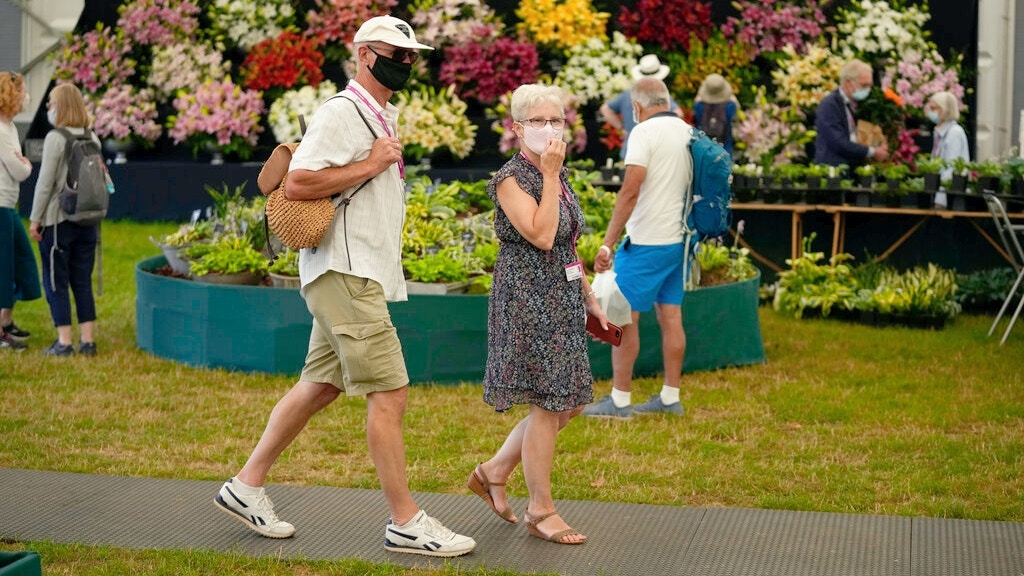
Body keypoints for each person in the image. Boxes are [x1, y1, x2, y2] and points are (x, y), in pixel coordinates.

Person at [212, 16, 475, 558]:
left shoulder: (378, 112)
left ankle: (245, 486)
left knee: (320, 386)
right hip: (346, 273)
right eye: (394, 53)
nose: (405, 62)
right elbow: (298, 182)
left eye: (411, 55)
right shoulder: (342, 111)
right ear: (363, 55)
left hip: (348, 272)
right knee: (390, 392)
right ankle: (406, 522)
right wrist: (370, 163)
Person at [469, 83, 607, 545]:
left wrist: (587, 293)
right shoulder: (511, 178)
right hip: (527, 301)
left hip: (561, 298)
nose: (549, 129)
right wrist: (549, 175)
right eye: (538, 121)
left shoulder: (557, 173)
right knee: (549, 402)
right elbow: (542, 235)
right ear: (517, 127)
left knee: (571, 400)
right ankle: (540, 510)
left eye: (556, 120)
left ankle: (494, 470)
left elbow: (567, 242)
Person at [582, 76, 692, 420]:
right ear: (667, 101)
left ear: (636, 106)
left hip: (646, 242)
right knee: (671, 317)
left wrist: (607, 243)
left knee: (624, 318)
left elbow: (630, 191)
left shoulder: (643, 132)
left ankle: (620, 401)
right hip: (679, 240)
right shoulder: (687, 131)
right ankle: (670, 397)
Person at [28, 83, 99, 357]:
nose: (48, 108)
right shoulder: (93, 137)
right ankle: (88, 341)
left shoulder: (55, 139)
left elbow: (45, 183)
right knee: (82, 279)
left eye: (51, 103)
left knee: (56, 281)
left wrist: (35, 219)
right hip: (88, 219)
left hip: (58, 220)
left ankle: (64, 342)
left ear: (61, 106)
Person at [0, 71, 41, 351]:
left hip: (8, 205)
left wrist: (23, 164)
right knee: (4, 267)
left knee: (19, 261)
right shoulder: (1, 130)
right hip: (1, 206)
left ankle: (6, 320)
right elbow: (20, 170)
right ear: (10, 94)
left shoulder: (10, 127)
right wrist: (25, 165)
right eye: (23, 91)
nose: (26, 96)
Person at [599, 54, 684, 160]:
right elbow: (679, 114)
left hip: (630, 150)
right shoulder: (660, 95)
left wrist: (622, 127)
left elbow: (605, 109)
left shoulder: (627, 94)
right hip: (655, 151)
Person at [813, 59, 888, 169]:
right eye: (864, 85)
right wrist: (872, 152)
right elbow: (838, 142)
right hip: (832, 170)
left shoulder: (854, 103)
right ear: (848, 83)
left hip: (850, 167)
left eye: (869, 86)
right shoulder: (829, 105)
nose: (867, 90)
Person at [925, 91, 969, 209]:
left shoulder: (954, 133)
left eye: (934, 108)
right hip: (941, 195)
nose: (930, 112)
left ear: (944, 109)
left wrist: (940, 201)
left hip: (950, 199)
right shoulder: (939, 132)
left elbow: (950, 168)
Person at [692, 73, 739, 155]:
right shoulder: (730, 106)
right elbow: (736, 118)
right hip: (725, 150)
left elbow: (696, 121)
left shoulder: (699, 106)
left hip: (704, 150)